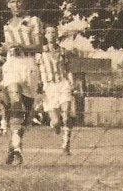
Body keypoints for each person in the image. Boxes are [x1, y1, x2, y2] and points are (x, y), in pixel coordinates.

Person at [0, 0, 43, 165]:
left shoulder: (34, 21)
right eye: (13, 2)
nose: (16, 4)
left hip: (29, 66)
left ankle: (13, 146)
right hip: (12, 65)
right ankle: (17, 149)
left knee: (25, 114)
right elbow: (7, 48)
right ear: (8, 5)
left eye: (19, 1)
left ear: (24, 3)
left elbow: (39, 46)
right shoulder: (7, 25)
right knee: (15, 102)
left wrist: (20, 46)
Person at [38, 26, 74, 155]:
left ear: (57, 34)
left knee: (66, 115)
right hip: (49, 87)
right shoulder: (40, 52)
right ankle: (55, 125)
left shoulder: (63, 51)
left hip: (63, 84)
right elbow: (36, 70)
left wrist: (71, 82)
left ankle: (66, 144)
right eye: (48, 32)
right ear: (45, 35)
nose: (51, 35)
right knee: (56, 121)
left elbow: (68, 69)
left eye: (53, 32)